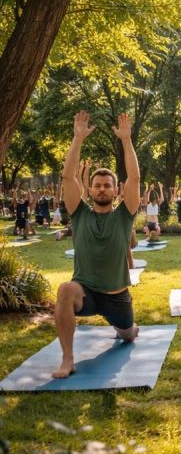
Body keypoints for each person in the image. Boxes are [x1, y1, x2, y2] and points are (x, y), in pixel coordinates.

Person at [52, 111, 141, 378]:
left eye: (107, 186)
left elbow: (135, 179)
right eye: (97, 185)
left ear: (116, 191)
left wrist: (126, 141)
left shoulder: (125, 215)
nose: (102, 189)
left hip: (117, 298)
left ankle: (125, 328)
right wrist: (77, 138)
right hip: (86, 293)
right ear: (89, 190)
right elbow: (68, 178)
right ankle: (67, 359)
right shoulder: (79, 213)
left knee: (128, 335)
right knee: (66, 289)